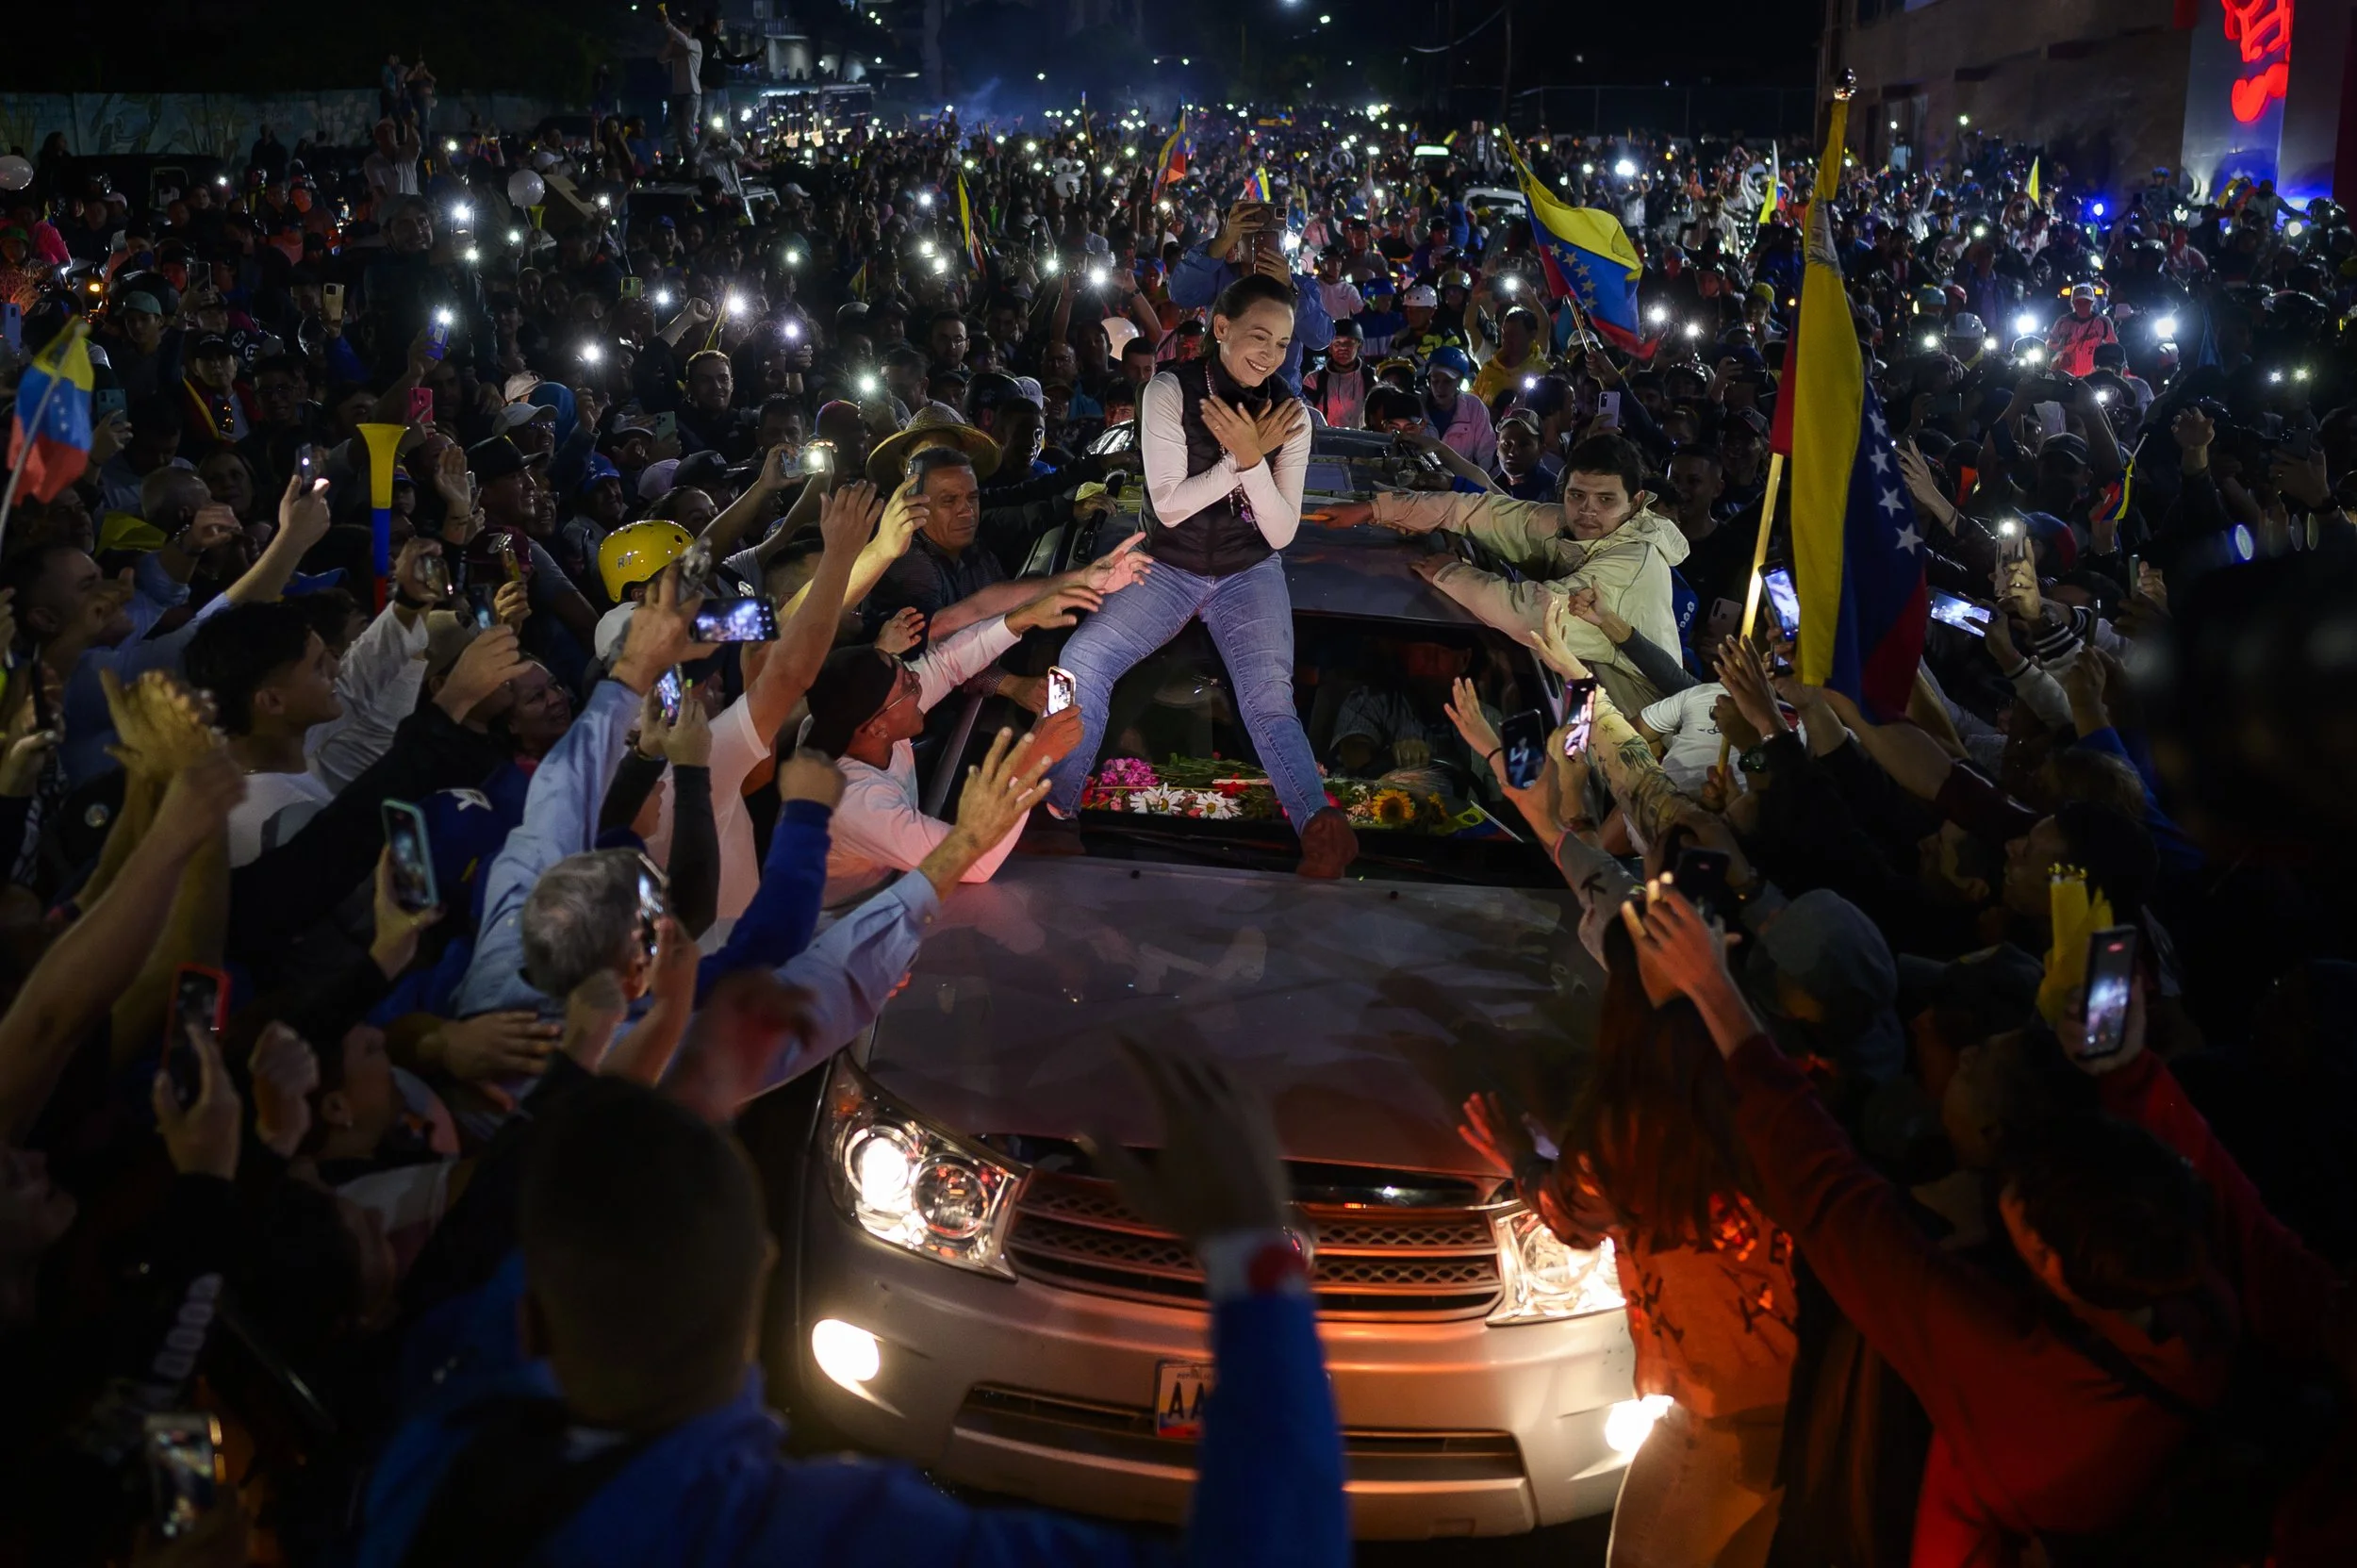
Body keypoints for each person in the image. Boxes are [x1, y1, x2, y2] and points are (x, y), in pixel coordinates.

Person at [1041, 273, 1359, 878]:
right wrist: (1242, 459)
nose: (1270, 354)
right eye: (1258, 336)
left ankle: (1319, 824)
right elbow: (1169, 506)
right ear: (1221, 328)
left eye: (1283, 343)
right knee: (1080, 662)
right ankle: (1054, 810)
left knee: (1270, 701)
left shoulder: (1293, 416)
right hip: (1167, 564)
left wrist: (1250, 458)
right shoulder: (1167, 390)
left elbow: (1281, 531)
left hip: (1248, 570)